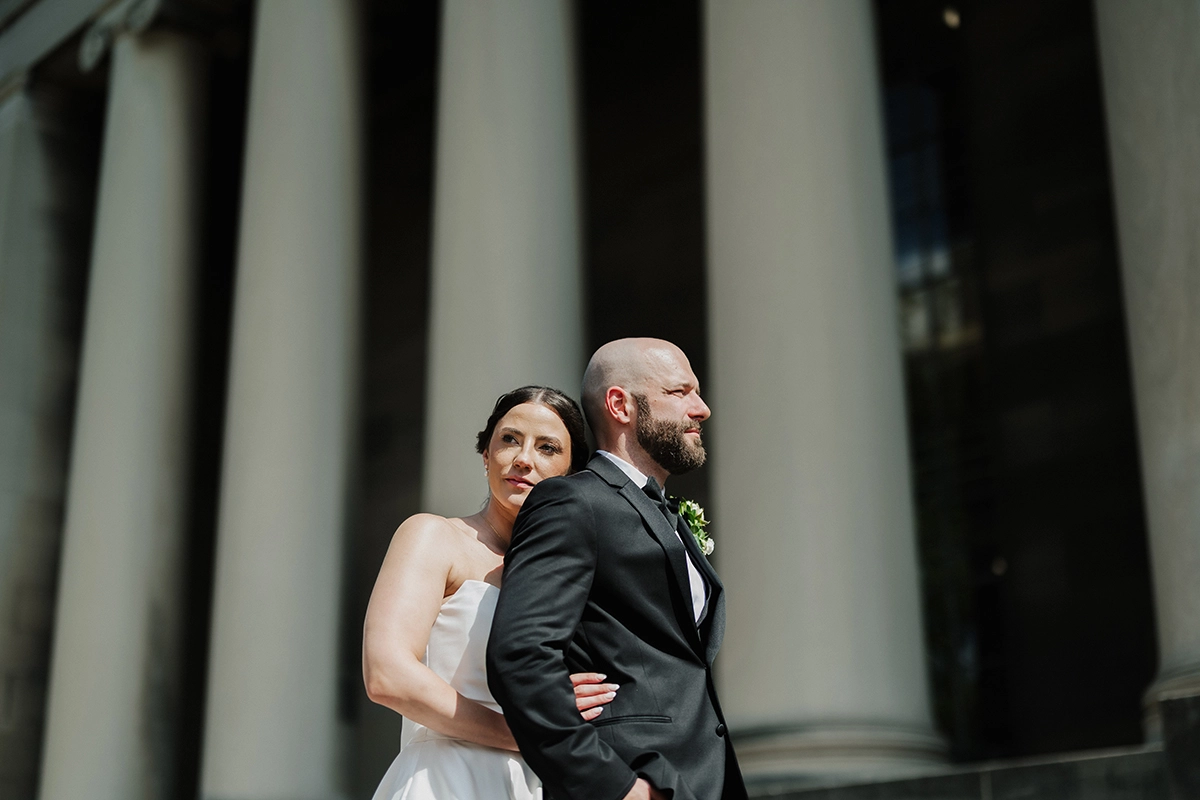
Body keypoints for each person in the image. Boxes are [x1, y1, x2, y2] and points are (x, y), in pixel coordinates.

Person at [487, 339, 748, 800]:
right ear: (619, 404)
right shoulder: (572, 502)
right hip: (635, 778)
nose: (702, 408)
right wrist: (616, 788)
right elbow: (522, 657)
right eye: (680, 392)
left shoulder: (665, 512)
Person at [364, 386, 619, 800]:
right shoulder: (433, 536)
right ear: (486, 455)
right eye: (510, 439)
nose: (524, 458)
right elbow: (387, 675)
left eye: (548, 448)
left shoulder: (572, 574)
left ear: (571, 476)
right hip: (447, 779)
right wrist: (526, 734)